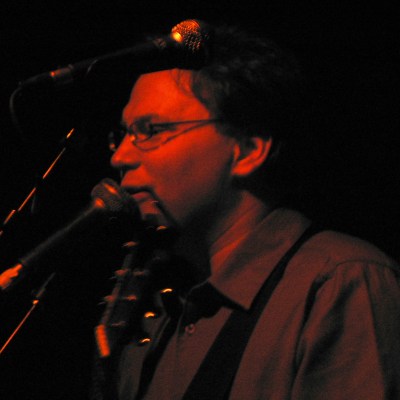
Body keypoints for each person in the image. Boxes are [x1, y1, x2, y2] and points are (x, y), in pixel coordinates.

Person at [91, 20, 400, 400]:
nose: (121, 157)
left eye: (151, 131)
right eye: (122, 135)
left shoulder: (340, 281)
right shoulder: (163, 306)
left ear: (249, 150)